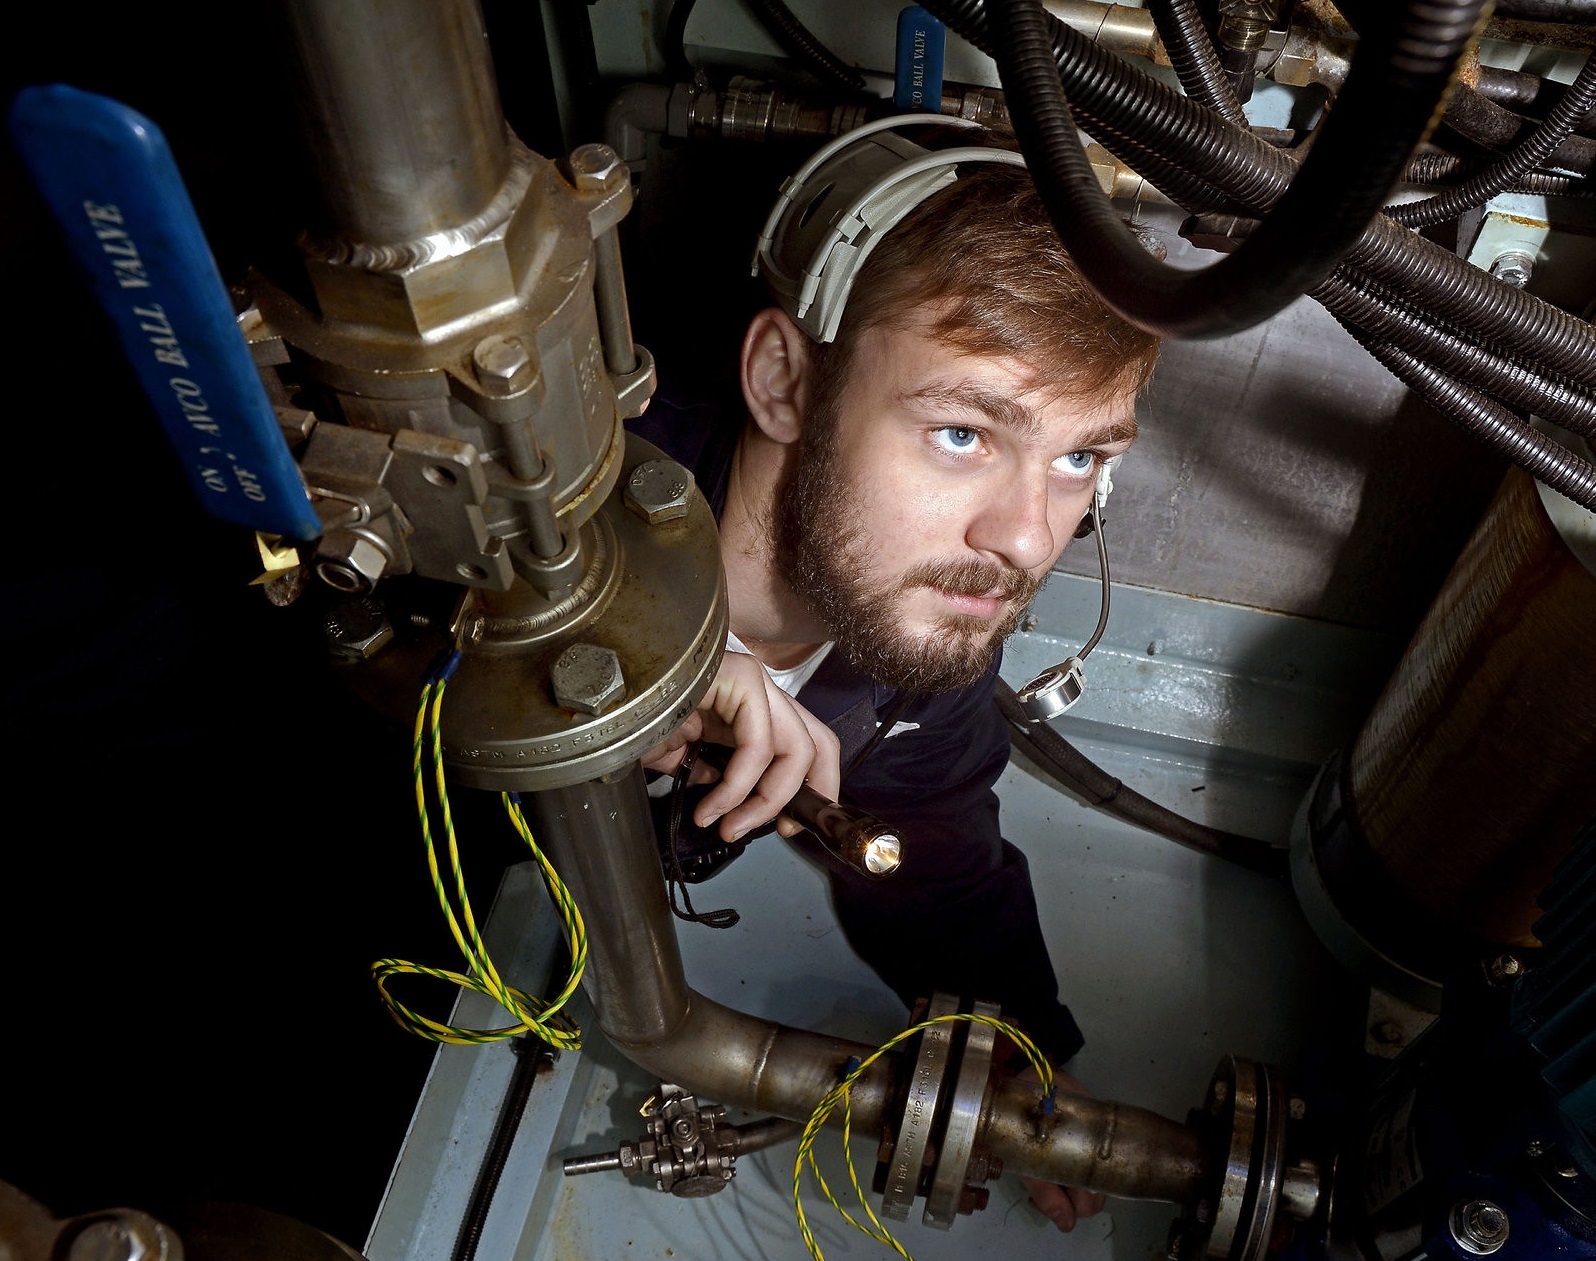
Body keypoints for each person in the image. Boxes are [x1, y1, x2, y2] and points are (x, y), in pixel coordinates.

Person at [631, 117, 1161, 1232]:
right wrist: (645, 663)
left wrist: (1022, 1056)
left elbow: (940, 861)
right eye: (965, 431)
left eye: (1079, 458)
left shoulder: (912, 641)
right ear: (784, 380)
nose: (1026, 538)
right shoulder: (572, 496)